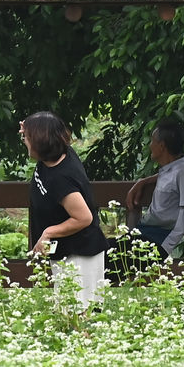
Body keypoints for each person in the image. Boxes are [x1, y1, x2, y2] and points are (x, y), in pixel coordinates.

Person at [21, 111, 108, 310]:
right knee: (67, 312)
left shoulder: (61, 178)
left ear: (40, 142)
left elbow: (84, 217)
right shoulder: (57, 155)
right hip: (64, 250)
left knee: (80, 313)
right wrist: (28, 128)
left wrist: (48, 233)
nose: (24, 140)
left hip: (80, 255)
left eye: (26, 138)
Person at [125, 117, 184, 271]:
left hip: (157, 242)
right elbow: (167, 177)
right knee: (100, 249)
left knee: (100, 255)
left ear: (162, 146)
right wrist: (142, 182)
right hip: (143, 235)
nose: (150, 145)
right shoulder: (172, 168)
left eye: (152, 141)